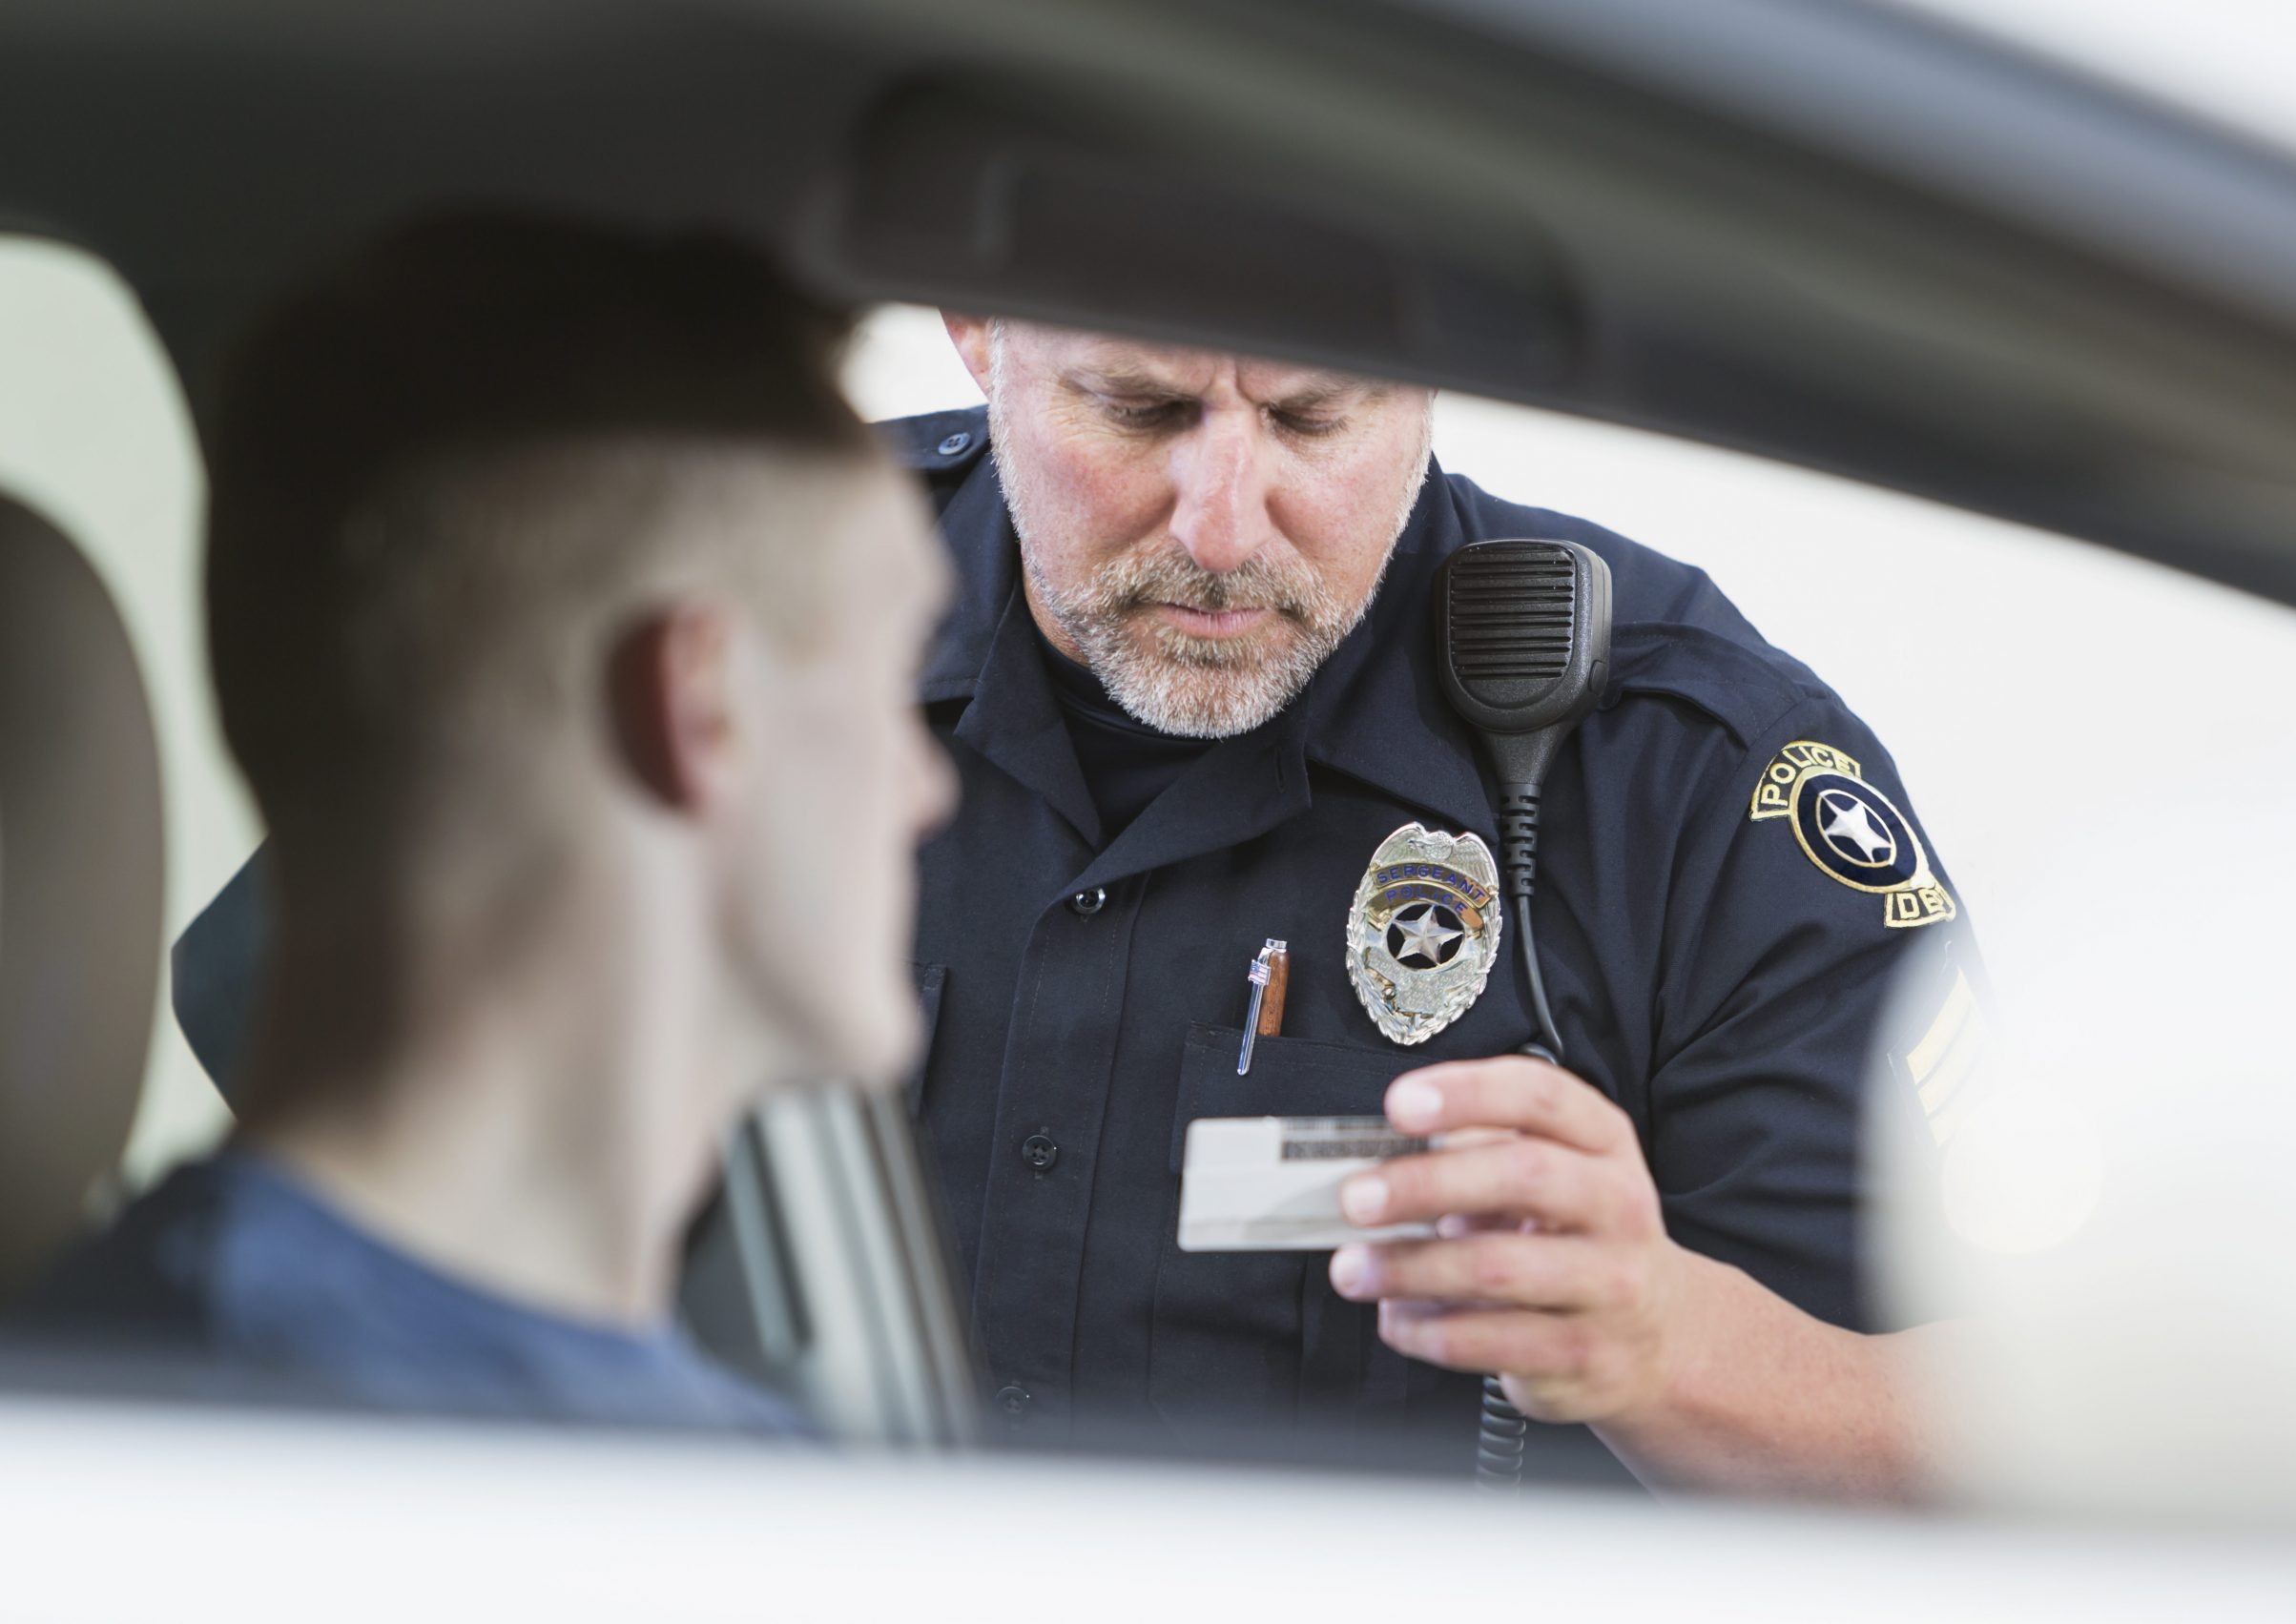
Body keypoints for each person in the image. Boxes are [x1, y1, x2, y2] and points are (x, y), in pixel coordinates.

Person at [176, 315, 1978, 1492]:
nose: (1220, 513)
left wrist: (1660, 1332)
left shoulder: (1688, 766)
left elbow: (1980, 1431)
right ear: (981, 331)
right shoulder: (737, 613)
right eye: (1139, 405)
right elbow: (307, 1053)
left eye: (1311, 414)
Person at [12, 215, 956, 1431]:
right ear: (700, 707)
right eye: (886, 683)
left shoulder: (121, 1403)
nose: (924, 786)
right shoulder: (251, 1463)